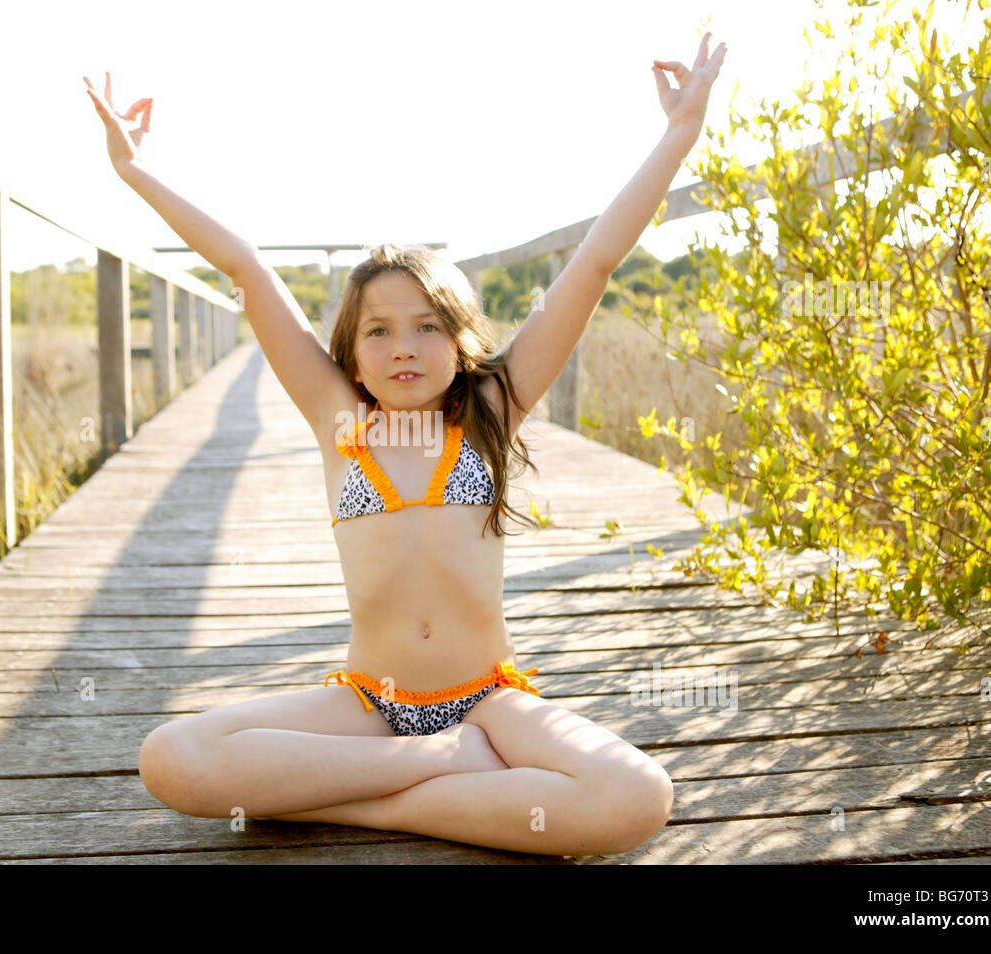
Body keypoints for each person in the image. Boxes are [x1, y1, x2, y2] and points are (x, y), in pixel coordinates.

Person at [85, 32, 726, 858]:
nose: (404, 348)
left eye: (428, 327)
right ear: (350, 350)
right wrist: (133, 170)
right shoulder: (336, 419)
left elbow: (596, 263)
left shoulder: (493, 407)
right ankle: (438, 772)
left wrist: (679, 133)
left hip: (489, 702)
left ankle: (366, 794)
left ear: (458, 340)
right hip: (367, 704)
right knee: (171, 759)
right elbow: (246, 268)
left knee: (635, 798)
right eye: (380, 331)